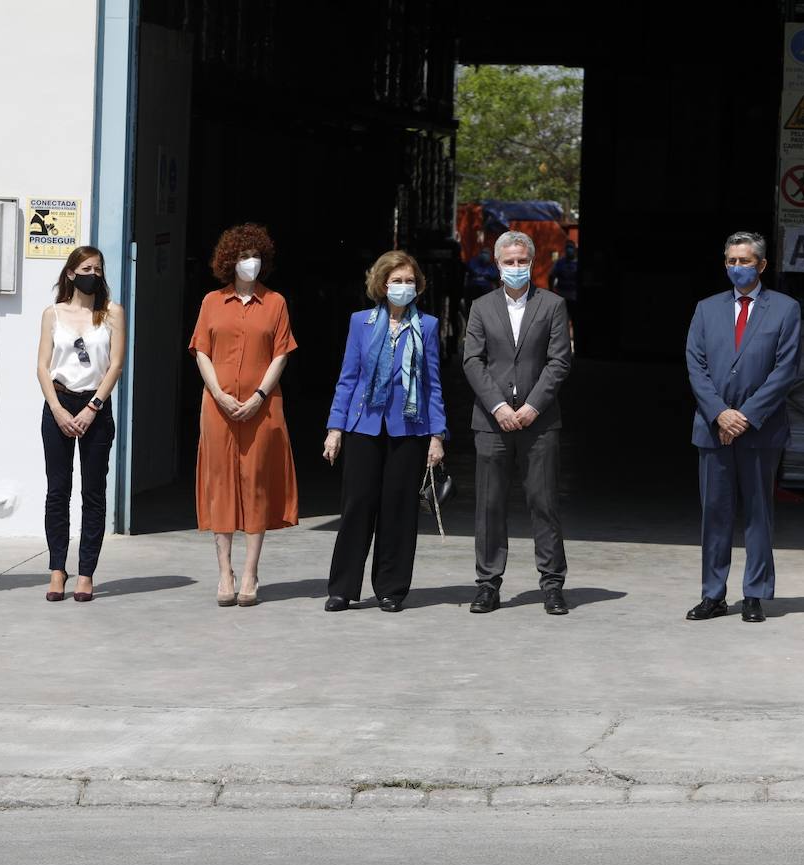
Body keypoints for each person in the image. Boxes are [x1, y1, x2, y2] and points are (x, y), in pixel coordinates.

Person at [685, 231, 802, 624]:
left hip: (759, 431)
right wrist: (720, 413)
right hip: (713, 428)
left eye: (745, 261)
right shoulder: (706, 309)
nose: (737, 267)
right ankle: (713, 593)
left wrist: (746, 416)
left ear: (762, 265)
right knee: (714, 515)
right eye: (731, 261)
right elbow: (696, 366)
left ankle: (754, 593)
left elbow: (784, 370)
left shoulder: (785, 310)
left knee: (757, 514)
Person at [322, 251, 447, 613]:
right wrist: (335, 428)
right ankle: (343, 588)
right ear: (382, 284)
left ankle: (391, 588)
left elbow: (433, 385)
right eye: (397, 281)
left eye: (410, 281)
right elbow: (347, 379)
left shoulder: (427, 326)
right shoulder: (360, 322)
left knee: (398, 509)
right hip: (364, 426)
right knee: (357, 505)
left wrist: (437, 435)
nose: (403, 287)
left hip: (409, 429)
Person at [462, 229, 572, 615]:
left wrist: (532, 407)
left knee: (543, 502)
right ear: (497, 264)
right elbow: (472, 360)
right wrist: (498, 406)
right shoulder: (481, 307)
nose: (515, 267)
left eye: (522, 261)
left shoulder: (553, 305)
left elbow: (559, 361)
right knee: (489, 505)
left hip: (539, 423)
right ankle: (488, 583)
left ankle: (552, 583)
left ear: (533, 262)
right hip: (492, 423)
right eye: (508, 261)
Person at [189, 224, 298, 607]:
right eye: (242, 256)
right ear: (229, 261)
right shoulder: (211, 302)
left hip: (263, 406)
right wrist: (218, 392)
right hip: (217, 406)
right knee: (221, 483)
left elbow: (281, 353)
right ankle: (224, 572)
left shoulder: (276, 302)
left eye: (255, 257)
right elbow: (201, 349)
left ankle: (250, 571)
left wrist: (258, 395)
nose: (249, 263)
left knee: (255, 482)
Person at [35, 246, 126, 602]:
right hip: (59, 402)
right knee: (57, 491)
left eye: (99, 269)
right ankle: (57, 568)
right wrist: (57, 409)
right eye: (87, 268)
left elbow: (115, 364)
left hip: (95, 405)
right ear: (71, 273)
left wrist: (93, 407)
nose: (94, 274)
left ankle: (86, 572)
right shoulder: (52, 314)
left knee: (93, 492)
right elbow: (42, 366)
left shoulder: (112, 313)